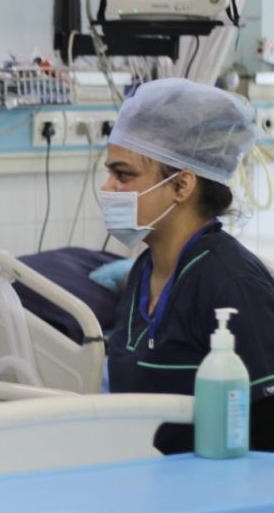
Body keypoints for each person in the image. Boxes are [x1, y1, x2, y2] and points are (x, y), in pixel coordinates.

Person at [101, 78, 274, 453]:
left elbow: (267, 428)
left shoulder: (232, 284)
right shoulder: (143, 273)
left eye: (123, 175)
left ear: (182, 186)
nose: (108, 188)